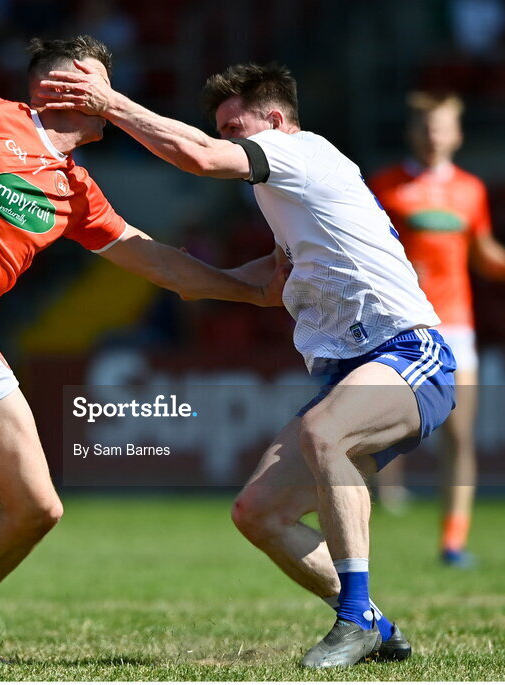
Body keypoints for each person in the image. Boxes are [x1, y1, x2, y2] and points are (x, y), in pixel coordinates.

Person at [0, 36, 284, 664]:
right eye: (95, 80)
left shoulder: (76, 190)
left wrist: (253, 290)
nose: (107, 94)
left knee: (38, 509)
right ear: (57, 87)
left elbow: (160, 264)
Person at [39, 61, 456, 668]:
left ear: (276, 122)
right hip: (351, 367)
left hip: (410, 352)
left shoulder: (301, 154)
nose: (229, 140)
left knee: (324, 433)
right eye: (224, 129)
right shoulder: (284, 190)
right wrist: (198, 278)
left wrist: (109, 103)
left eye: (236, 127)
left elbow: (202, 158)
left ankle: (354, 616)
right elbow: (268, 275)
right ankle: (375, 624)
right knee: (258, 513)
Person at [369, 92, 505, 566]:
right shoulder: (383, 186)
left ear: (458, 134)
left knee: (460, 436)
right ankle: (351, 529)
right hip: (399, 325)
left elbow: (482, 254)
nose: (434, 135)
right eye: (426, 126)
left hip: (456, 327)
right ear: (412, 131)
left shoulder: (471, 190)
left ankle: (453, 541)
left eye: (442, 127)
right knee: (375, 432)